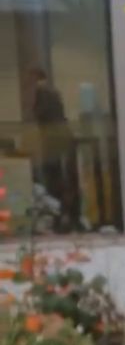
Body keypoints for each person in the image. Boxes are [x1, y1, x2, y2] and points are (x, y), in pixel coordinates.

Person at [29, 68, 79, 232]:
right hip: (59, 140)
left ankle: (63, 217)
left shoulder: (43, 92)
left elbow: (39, 114)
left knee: (55, 178)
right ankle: (68, 217)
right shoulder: (52, 92)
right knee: (62, 178)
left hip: (55, 141)